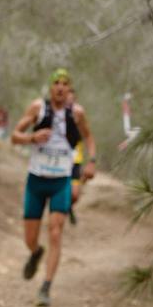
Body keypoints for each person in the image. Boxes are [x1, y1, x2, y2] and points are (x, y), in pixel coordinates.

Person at [10, 68, 95, 307]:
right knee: (30, 238)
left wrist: (92, 161)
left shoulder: (77, 113)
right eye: (56, 82)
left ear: (69, 89)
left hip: (61, 181)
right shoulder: (38, 108)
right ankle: (36, 252)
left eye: (64, 83)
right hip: (36, 180)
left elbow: (89, 138)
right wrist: (32, 138)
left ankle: (46, 287)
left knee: (56, 231)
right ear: (50, 87)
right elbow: (14, 136)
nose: (60, 87)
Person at [66, 87, 92, 225]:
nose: (69, 100)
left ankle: (68, 206)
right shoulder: (55, 113)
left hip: (76, 158)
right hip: (60, 160)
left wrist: (91, 160)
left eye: (72, 98)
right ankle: (62, 208)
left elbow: (87, 135)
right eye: (67, 97)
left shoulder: (79, 113)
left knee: (75, 194)